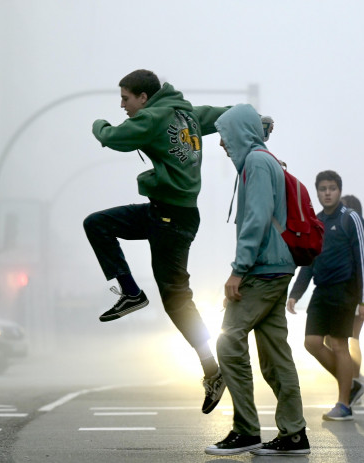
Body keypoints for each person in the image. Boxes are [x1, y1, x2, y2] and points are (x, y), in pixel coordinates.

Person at [83, 69, 229, 414]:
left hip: (171, 219)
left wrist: (98, 124)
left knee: (177, 299)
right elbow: (225, 114)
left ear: (144, 98)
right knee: (97, 224)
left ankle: (215, 369)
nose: (122, 106)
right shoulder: (186, 113)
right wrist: (258, 119)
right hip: (163, 212)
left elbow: (114, 138)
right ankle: (130, 292)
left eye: (125, 98)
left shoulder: (151, 117)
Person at [205, 104, 310, 456]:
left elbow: (257, 218)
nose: (221, 142)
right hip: (277, 268)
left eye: (224, 134)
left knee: (228, 342)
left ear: (239, 132)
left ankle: (247, 430)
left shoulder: (256, 163)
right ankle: (294, 434)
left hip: (263, 269)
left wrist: (238, 269)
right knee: (275, 355)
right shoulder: (264, 160)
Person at [286, 170, 364, 421]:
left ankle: (343, 404)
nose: (327, 193)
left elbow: (363, 260)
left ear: (339, 190)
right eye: (323, 189)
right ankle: (350, 384)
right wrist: (295, 293)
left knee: (338, 345)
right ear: (317, 192)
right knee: (311, 343)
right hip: (321, 290)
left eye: (332, 188)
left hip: (344, 290)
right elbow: (309, 260)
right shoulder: (316, 220)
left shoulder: (351, 218)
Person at [340, 194, 364, 405]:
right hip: (352, 296)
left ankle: (354, 383)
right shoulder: (358, 233)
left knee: (350, 340)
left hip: (357, 297)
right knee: (347, 340)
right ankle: (354, 380)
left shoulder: (360, 235)